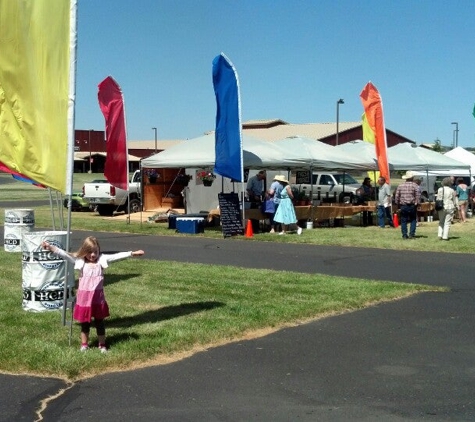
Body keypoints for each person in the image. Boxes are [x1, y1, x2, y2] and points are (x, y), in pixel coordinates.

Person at [42, 236, 145, 352]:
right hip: (84, 299)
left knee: (99, 322)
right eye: (89, 252)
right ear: (84, 251)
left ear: (98, 250)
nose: (92, 255)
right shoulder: (79, 261)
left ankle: (102, 345)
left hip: (97, 298)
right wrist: (50, 247)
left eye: (95, 252)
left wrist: (132, 253)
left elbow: (117, 256)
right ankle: (84, 344)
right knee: (85, 323)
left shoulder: (102, 259)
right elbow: (64, 254)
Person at [394, 171, 421, 239]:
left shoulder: (400, 185)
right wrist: (418, 203)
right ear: (412, 178)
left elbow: (397, 196)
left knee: (404, 220)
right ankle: (411, 234)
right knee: (413, 220)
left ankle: (404, 235)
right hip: (412, 205)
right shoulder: (415, 186)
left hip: (403, 205)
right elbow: (418, 196)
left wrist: (397, 204)